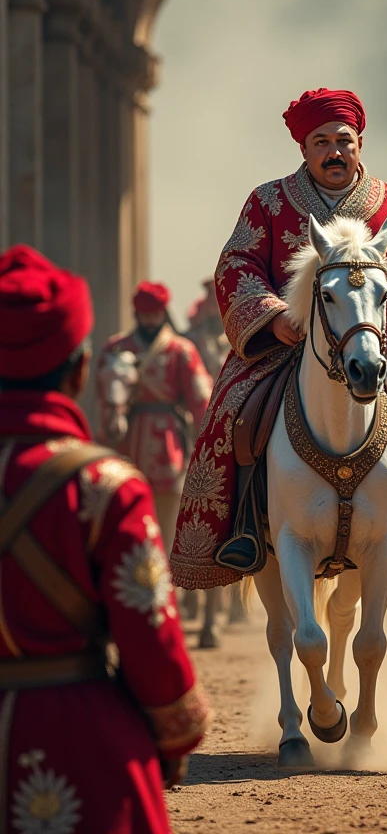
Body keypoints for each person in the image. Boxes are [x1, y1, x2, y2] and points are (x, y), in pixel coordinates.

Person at [170, 87, 387, 596]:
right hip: (285, 347)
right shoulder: (267, 202)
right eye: (321, 142)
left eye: (343, 140)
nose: (334, 151)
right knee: (229, 418)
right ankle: (238, 529)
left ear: (360, 144)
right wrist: (272, 315)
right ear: (304, 150)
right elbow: (236, 266)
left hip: (380, 348)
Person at [0, 246, 210, 834]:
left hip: (167, 440)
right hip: (77, 743)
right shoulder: (104, 487)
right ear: (78, 368)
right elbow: (149, 635)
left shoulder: (183, 349)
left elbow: (200, 394)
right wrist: (176, 734)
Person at [96, 282, 213, 555]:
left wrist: (206, 445)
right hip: (124, 441)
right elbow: (104, 398)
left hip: (167, 445)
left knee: (167, 522)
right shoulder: (115, 348)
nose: (149, 321)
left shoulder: (181, 351)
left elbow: (200, 400)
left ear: (163, 312)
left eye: (154, 314)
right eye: (144, 314)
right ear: (136, 314)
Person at [185, 279, 230, 382]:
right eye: (210, 297)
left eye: (217, 298)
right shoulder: (193, 340)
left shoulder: (235, 337)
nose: (214, 304)